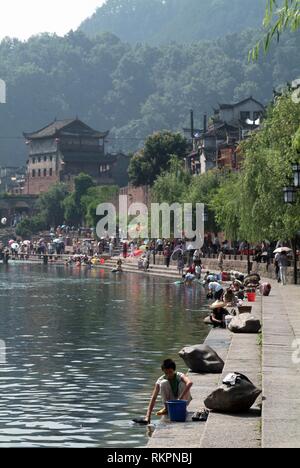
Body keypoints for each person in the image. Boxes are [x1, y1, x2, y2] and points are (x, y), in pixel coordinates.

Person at [144, 359, 193, 424]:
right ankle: (167, 408)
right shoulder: (161, 379)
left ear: (174, 370)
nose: (169, 375)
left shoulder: (179, 375)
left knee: (183, 384)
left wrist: (180, 398)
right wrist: (148, 416)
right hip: (171, 402)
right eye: (166, 373)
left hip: (182, 400)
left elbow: (190, 383)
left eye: (170, 372)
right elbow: (153, 397)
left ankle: (182, 408)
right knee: (163, 383)